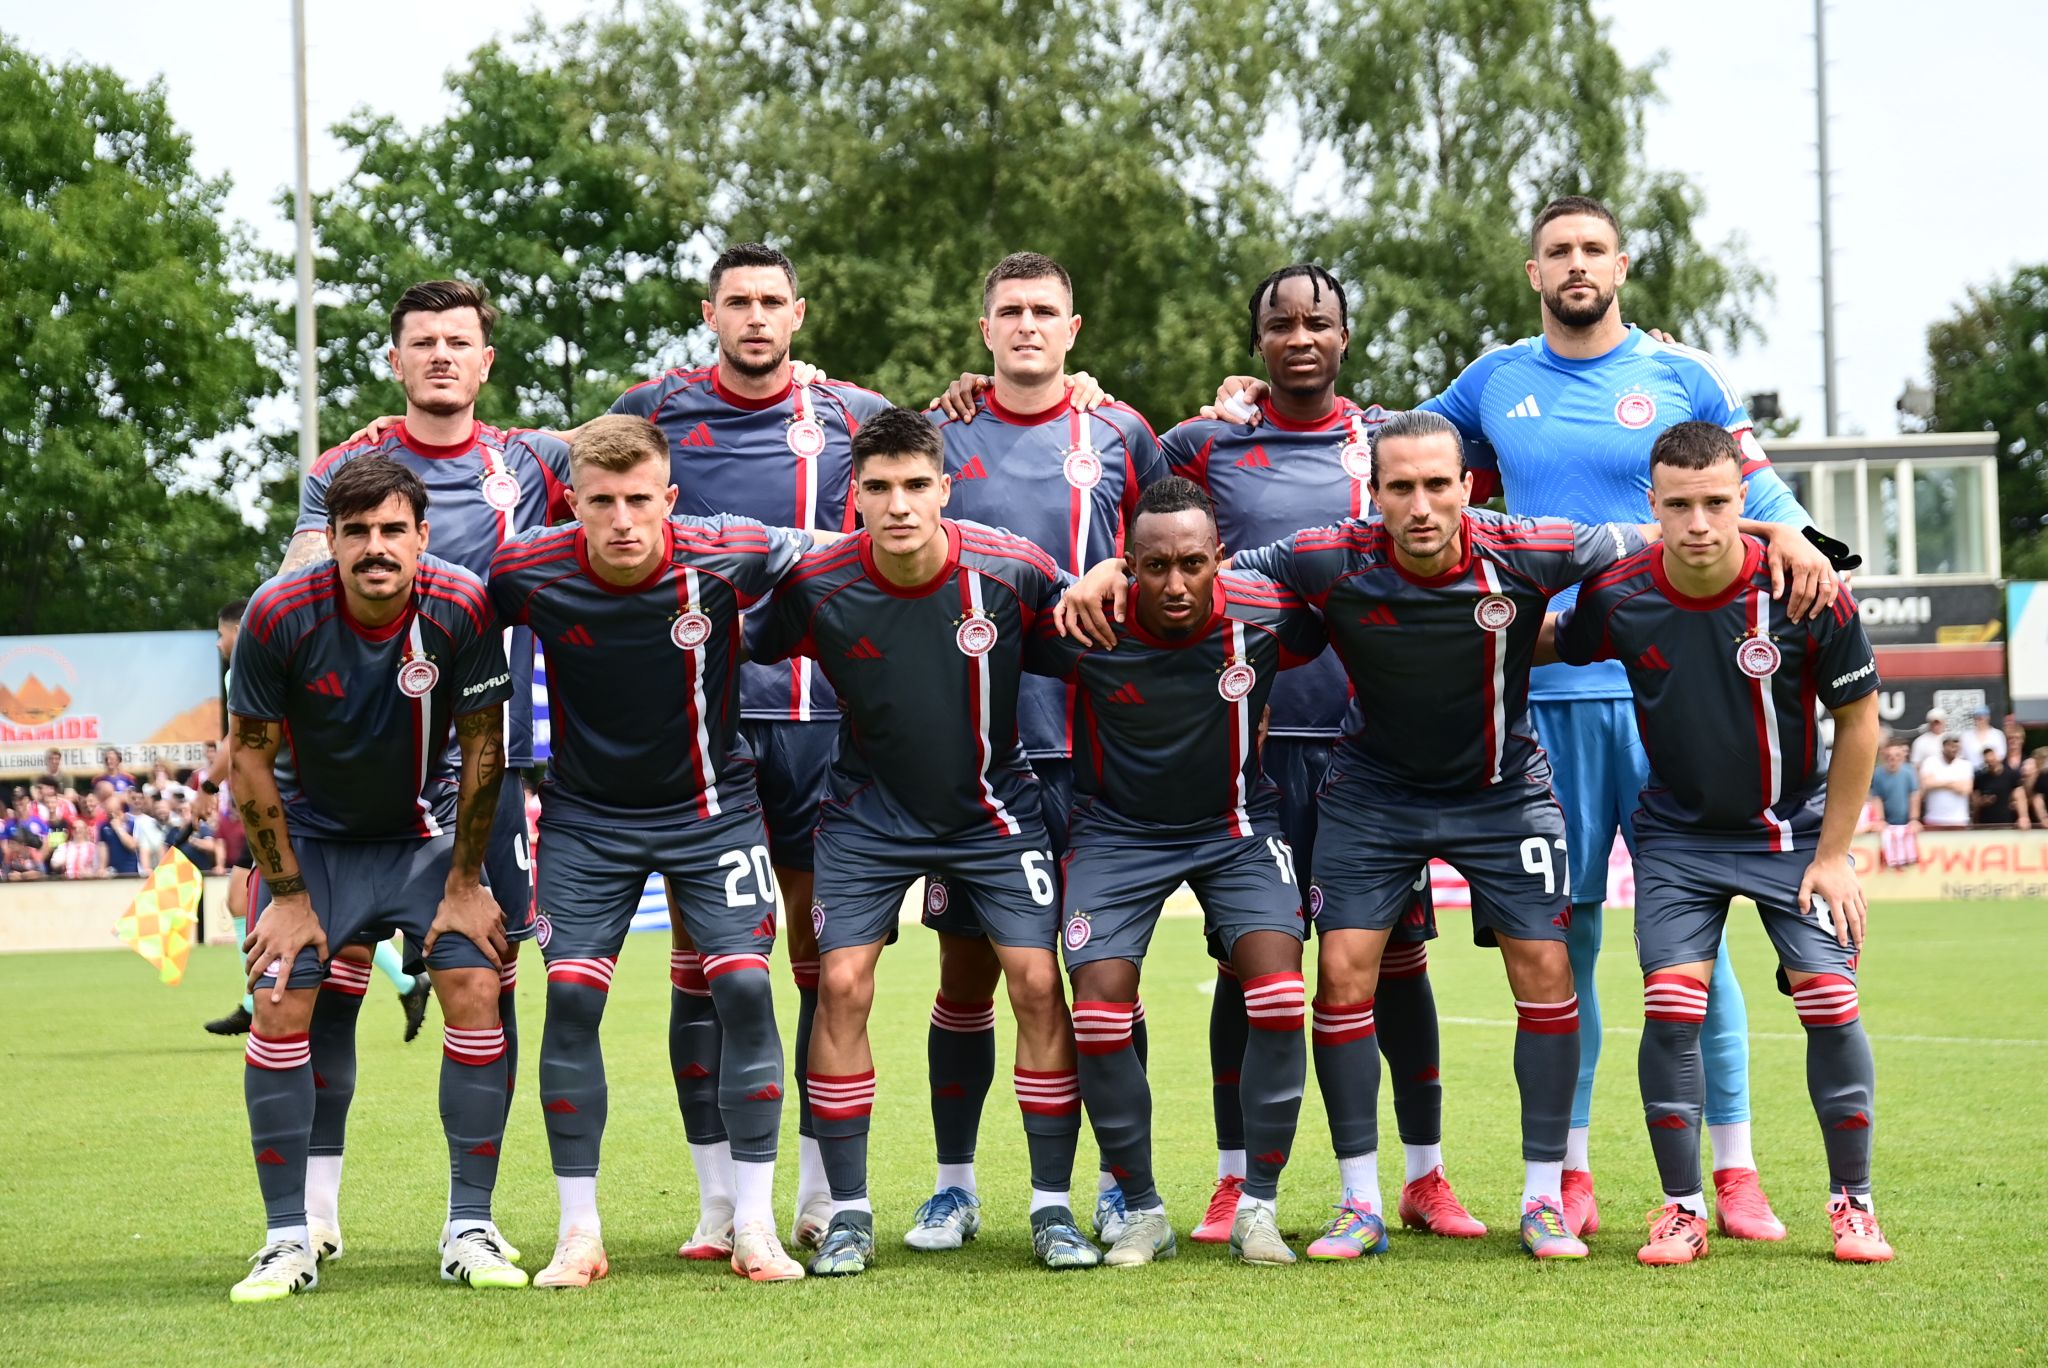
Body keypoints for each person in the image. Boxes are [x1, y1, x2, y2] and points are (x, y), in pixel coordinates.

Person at [1207, 200, 1836, 1240]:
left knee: (1699, 937)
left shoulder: (1682, 375)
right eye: (1557, 251)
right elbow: (1373, 435)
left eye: (1592, 249)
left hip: (1667, 689)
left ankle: (1732, 1170)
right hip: (1540, 696)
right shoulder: (1489, 382)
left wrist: (1794, 539)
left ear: (1620, 264)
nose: (1575, 264)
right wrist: (1252, 398)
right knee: (1564, 941)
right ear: (1533, 270)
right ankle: (1563, 1177)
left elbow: (1737, 497)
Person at [1161, 264, 1476, 1244]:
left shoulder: (1388, 441)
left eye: (1318, 322)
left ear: (1344, 334)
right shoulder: (1205, 442)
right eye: (1281, 324)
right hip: (1247, 751)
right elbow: (1122, 497)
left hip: (1367, 754)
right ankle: (1233, 1179)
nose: (1300, 338)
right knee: (1245, 966)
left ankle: (1423, 1176)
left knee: (1395, 962)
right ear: (1256, 342)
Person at [750, 407, 1092, 1277]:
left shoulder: (1011, 570)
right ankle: (849, 1214)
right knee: (839, 983)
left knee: (1037, 982)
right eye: (879, 488)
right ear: (855, 499)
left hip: (992, 811)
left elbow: (1097, 626)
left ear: (945, 489)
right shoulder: (819, 583)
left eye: (914, 486)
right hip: (867, 814)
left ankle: (1051, 1208)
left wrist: (1110, 572)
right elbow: (727, 640)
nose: (898, 505)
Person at [487, 415, 820, 1287]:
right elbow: (445, 613)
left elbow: (845, 553)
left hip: (713, 811)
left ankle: (754, 1226)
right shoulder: (525, 569)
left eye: (640, 500)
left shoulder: (728, 550)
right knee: (569, 1001)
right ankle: (578, 1234)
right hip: (586, 821)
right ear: (572, 503)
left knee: (744, 986)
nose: (624, 520)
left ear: (670, 499)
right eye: (602, 502)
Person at [1549, 419, 1892, 1265]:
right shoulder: (1620, 594)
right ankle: (1682, 1211)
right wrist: (1448, 632)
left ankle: (1853, 1205)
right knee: (1672, 1008)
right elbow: (1550, 641)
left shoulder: (1806, 589)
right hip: (1677, 839)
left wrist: (1835, 857)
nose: (1698, 523)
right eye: (1679, 506)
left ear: (1744, 500)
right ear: (1652, 506)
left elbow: (1860, 724)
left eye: (1715, 503)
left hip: (1793, 834)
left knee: (1829, 1001)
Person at [602, 243, 889, 1253]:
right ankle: (717, 1201)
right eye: (738, 302)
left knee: (818, 961)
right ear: (709, 313)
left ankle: (813, 1195)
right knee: (704, 961)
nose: (756, 317)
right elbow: (547, 467)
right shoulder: (652, 410)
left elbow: (933, 475)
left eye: (772, 301)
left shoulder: (851, 414)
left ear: (798, 314)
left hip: (819, 719)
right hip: (702, 721)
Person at [274, 280, 570, 1251]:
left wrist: (804, 378)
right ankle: (315, 1215)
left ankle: (471, 1218)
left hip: (489, 760)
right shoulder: (344, 469)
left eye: (458, 340)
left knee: (486, 975)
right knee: (330, 979)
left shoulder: (532, 461)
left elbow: (643, 445)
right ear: (395, 360)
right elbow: (294, 585)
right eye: (422, 341)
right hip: (353, 769)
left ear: (487, 360)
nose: (441, 354)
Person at [906, 251, 1168, 1251]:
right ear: (985, 330)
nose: (1026, 325)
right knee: (967, 976)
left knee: (1105, 978)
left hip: (1102, 750)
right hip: (979, 757)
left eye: (1043, 311)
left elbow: (1180, 551)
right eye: (1009, 311)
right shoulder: (940, 431)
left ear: (1072, 328)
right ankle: (953, 1188)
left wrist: (1120, 567)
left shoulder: (1119, 432)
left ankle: (1118, 1187)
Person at [226, 455, 522, 1300]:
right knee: (279, 1000)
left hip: (422, 837)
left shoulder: (462, 603)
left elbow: (485, 748)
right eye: (356, 531)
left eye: (393, 529)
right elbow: (248, 759)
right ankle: (288, 1239)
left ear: (422, 536)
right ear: (332, 540)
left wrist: (466, 883)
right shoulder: (279, 612)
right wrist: (287, 897)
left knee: (476, 984)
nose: (375, 547)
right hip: (314, 843)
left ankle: (470, 1227)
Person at [1030, 477, 1323, 1266]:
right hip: (1117, 835)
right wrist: (1087, 577)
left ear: (1219, 558)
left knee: (1278, 995)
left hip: (1236, 828)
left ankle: (1258, 1208)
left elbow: (1344, 604)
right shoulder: (1085, 623)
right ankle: (1142, 1210)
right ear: (1127, 564)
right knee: (1098, 1012)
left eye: (1192, 563)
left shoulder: (1267, 615)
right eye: (1153, 566)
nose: (1175, 584)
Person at [1867, 741, 1921, 869]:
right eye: (1889, 756)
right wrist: (1880, 820)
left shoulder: (1909, 771)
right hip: (1887, 824)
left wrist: (1914, 819)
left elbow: (1914, 796)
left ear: (1902, 756)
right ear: (1884, 757)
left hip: (1907, 822)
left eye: (1897, 755)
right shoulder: (1878, 773)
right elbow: (1877, 798)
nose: (1893, 759)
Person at [1918, 734, 1973, 830]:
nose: (1954, 749)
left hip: (1958, 820)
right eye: (1952, 746)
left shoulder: (1965, 765)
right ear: (1944, 746)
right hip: (1934, 819)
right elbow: (1926, 784)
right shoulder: (1930, 762)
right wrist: (1951, 784)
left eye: (1957, 747)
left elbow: (1966, 789)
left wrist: (1938, 782)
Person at [1971, 748, 2030, 828]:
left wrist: (2023, 817)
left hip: (2006, 822)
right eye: (1988, 762)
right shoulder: (1980, 778)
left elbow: (2020, 796)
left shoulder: (2011, 775)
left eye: (1992, 760)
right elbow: (1975, 802)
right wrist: (1982, 802)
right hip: (1985, 823)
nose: (1991, 764)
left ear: (1998, 758)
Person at [98, 793, 142, 876]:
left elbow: (132, 845)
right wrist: (102, 867)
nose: (110, 816)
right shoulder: (104, 826)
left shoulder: (132, 823)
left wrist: (118, 828)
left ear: (120, 810)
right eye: (108, 813)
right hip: (111, 872)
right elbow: (103, 847)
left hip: (130, 871)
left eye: (112, 812)